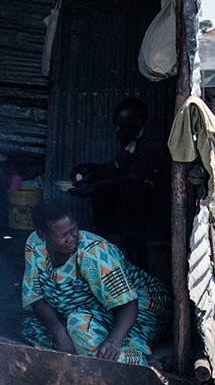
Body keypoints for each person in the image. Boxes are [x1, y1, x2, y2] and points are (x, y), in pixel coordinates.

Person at [21, 199, 172, 365]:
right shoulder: (35, 245)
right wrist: (59, 331)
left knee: (78, 326)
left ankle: (130, 358)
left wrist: (113, 341)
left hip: (144, 309)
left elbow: (129, 303)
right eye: (62, 235)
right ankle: (87, 350)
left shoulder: (93, 253)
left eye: (73, 230)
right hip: (91, 310)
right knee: (32, 328)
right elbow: (36, 296)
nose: (71, 239)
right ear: (42, 235)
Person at [68, 97, 170, 267]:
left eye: (121, 126)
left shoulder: (155, 134)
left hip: (159, 205)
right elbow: (117, 167)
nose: (116, 130)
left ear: (137, 123)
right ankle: (108, 242)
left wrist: (96, 185)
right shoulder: (133, 136)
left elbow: (138, 175)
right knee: (100, 185)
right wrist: (90, 168)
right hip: (138, 202)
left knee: (129, 190)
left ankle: (135, 263)